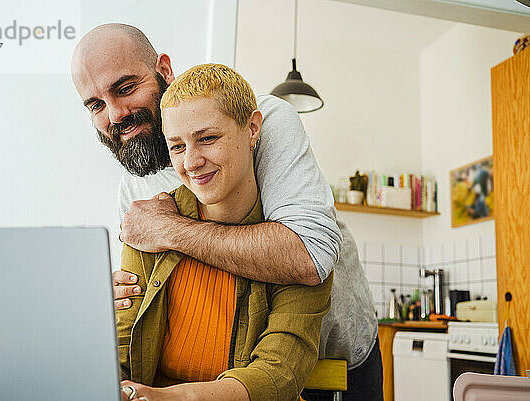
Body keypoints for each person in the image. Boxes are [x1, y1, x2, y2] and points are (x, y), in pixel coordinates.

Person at [71, 24, 382, 401]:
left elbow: (308, 256)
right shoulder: (136, 191)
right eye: (96, 105)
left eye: (125, 88)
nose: (116, 113)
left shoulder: (267, 119)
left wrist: (171, 230)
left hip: (336, 355)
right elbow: (131, 329)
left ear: (164, 71)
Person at [115, 62, 334, 401]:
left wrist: (168, 398)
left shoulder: (295, 251)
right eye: (177, 146)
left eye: (208, 139)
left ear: (252, 129)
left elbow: (278, 375)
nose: (191, 162)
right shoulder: (151, 223)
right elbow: (118, 350)